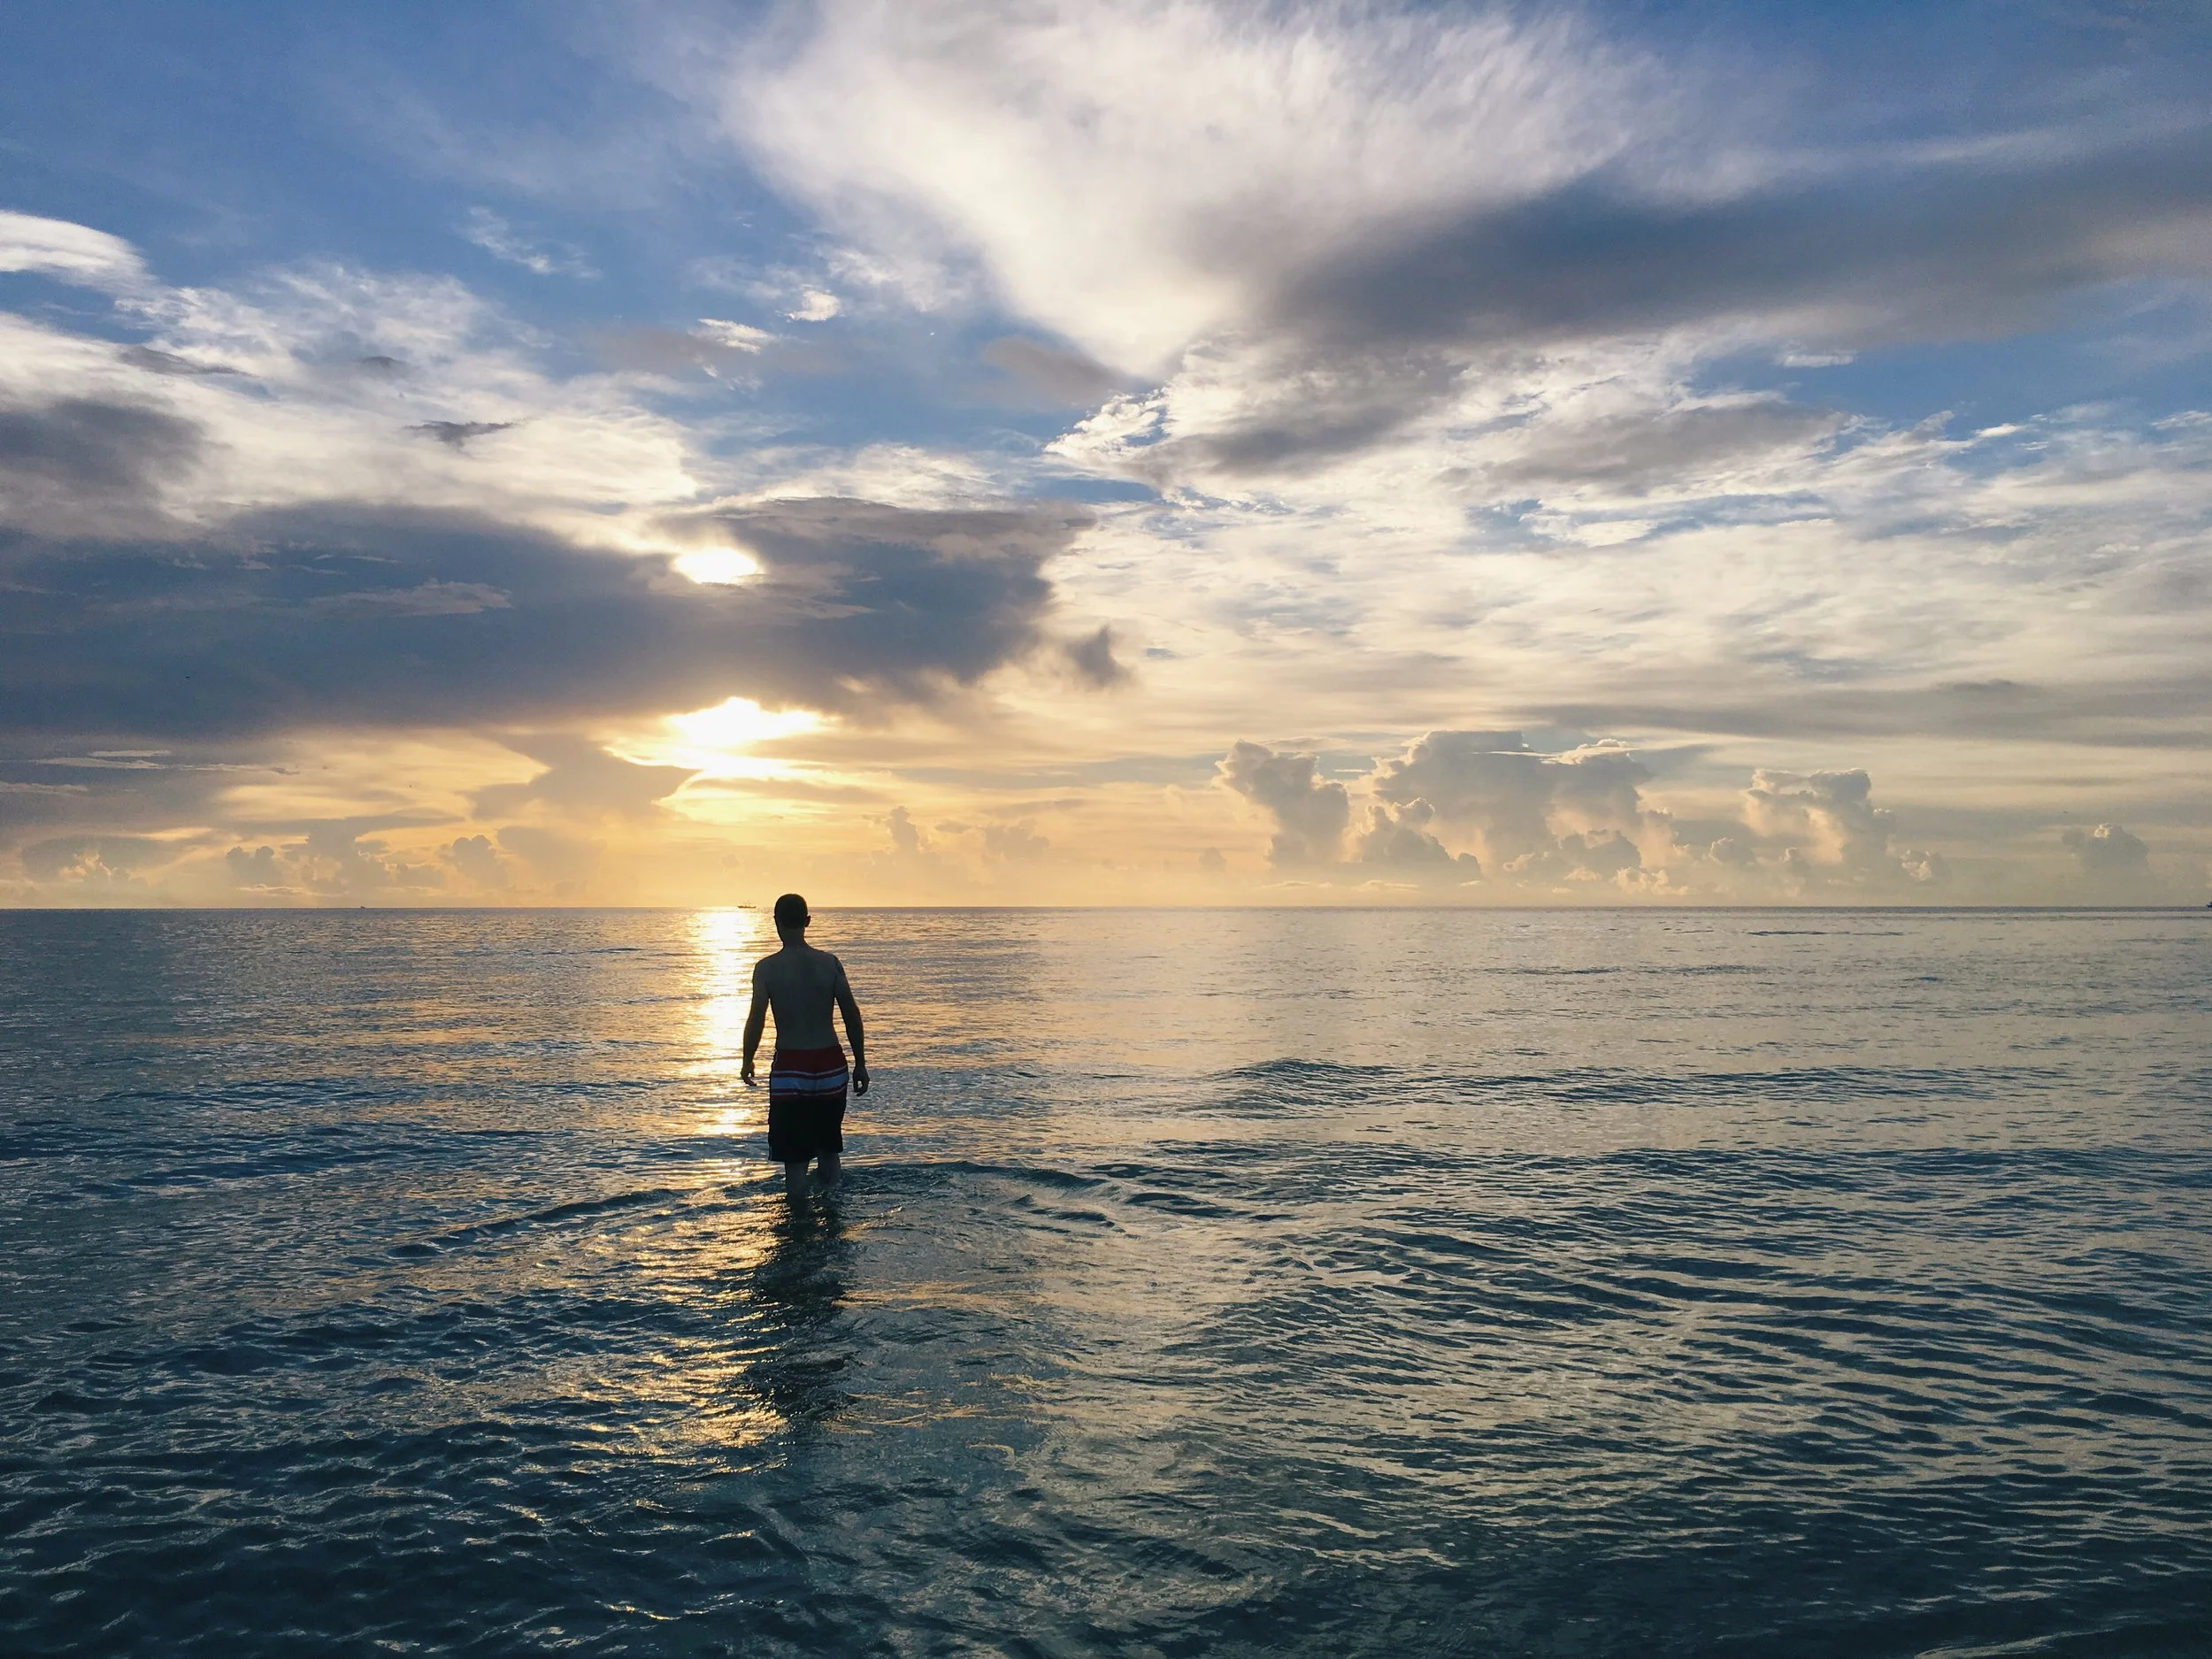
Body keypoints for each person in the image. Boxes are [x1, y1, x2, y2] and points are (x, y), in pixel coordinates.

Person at [741, 893, 869, 1202]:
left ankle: (798, 1223)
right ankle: (833, 1215)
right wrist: (860, 1063)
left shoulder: (767, 969)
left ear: (776, 922)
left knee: (795, 1160)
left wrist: (747, 1060)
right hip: (831, 1065)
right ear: (807, 921)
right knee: (829, 1150)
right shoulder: (830, 963)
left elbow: (756, 1018)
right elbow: (851, 1014)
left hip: (791, 1068)